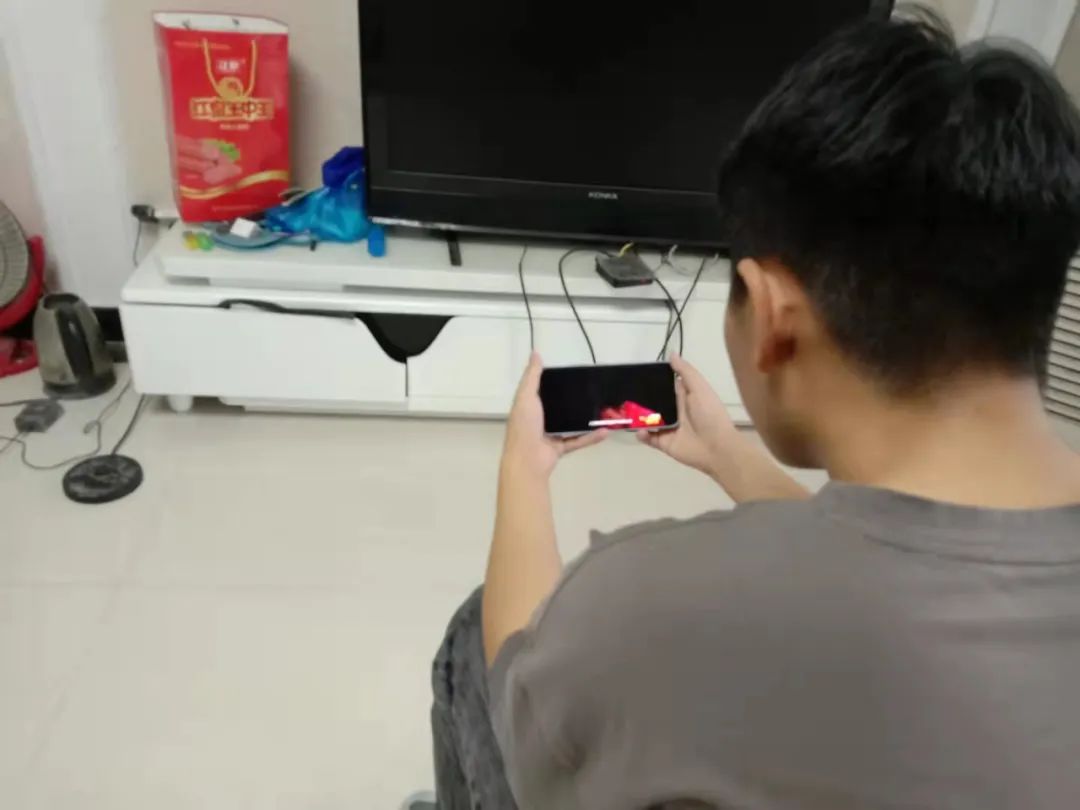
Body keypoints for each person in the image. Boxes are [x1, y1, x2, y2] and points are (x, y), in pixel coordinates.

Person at [408, 9, 1080, 810]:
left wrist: (522, 473)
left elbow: (522, 702)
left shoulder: (644, 600)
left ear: (771, 317)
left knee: (476, 635)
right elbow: (905, 552)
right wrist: (732, 457)